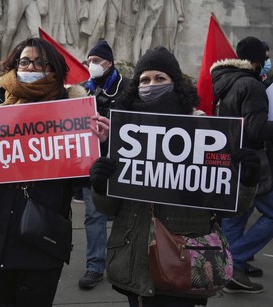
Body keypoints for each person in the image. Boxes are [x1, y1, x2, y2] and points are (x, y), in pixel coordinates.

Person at [87, 46, 260, 306]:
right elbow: (108, 207)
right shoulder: (123, 135)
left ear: (175, 83)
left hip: (186, 263)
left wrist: (245, 180)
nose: (151, 85)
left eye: (160, 78)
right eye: (144, 80)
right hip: (135, 263)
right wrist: (100, 184)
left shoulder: (205, 131)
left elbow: (233, 209)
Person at [0, 37, 84, 307]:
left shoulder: (71, 111)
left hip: (42, 233)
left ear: (54, 69)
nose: (32, 67)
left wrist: (95, 147)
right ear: (14, 66)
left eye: (41, 63)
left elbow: (82, 179)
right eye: (25, 62)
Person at [210, 36, 273, 293]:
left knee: (238, 215)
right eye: (266, 57)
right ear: (257, 60)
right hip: (255, 162)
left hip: (234, 160)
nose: (268, 62)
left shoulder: (227, 81)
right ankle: (231, 262)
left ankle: (229, 271)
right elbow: (257, 128)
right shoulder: (251, 85)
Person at [77, 40, 130, 290]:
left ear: (109, 63)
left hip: (123, 162)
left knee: (128, 215)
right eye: (89, 62)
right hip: (93, 162)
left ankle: (128, 262)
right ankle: (95, 266)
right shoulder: (82, 90)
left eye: (96, 61)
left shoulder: (127, 89)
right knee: (93, 215)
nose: (91, 66)